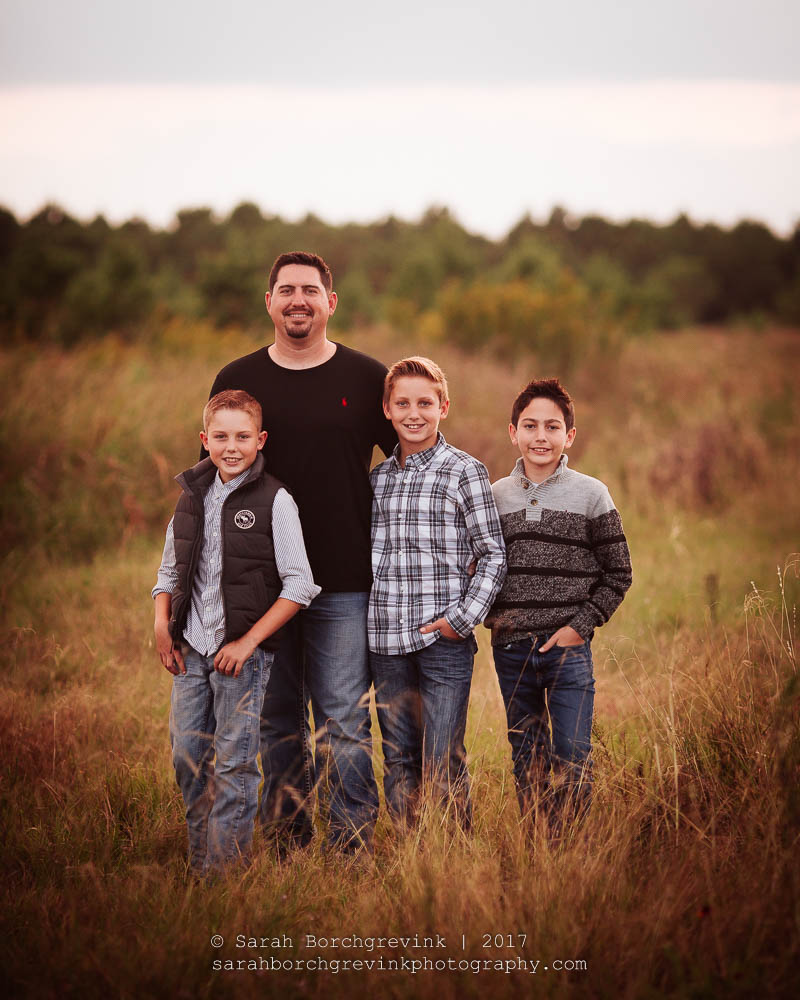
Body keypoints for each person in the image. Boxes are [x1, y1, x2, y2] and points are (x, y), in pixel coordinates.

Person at [207, 251, 397, 853]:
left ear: (330, 303)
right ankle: (289, 840)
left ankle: (351, 846)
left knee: (343, 720)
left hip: (344, 578)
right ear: (268, 301)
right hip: (262, 588)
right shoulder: (237, 380)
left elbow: (411, 462)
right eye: (285, 289)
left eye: (309, 290)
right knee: (277, 721)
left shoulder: (369, 379)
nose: (297, 300)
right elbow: (213, 481)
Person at [153, 390, 320, 873]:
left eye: (243, 437)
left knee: (233, 763)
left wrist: (248, 643)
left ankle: (222, 878)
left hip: (240, 657)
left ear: (260, 439)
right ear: (204, 440)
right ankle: (202, 861)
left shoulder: (275, 500)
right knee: (188, 758)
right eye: (221, 436)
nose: (231, 446)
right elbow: (167, 573)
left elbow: (300, 583)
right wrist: (162, 627)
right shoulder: (190, 498)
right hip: (190, 650)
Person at [486, 377, 632, 831]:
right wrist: (496, 619)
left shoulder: (592, 494)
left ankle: (570, 851)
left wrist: (580, 625)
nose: (540, 437)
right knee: (527, 756)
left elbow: (618, 573)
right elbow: (481, 567)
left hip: (568, 647)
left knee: (571, 755)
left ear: (569, 435)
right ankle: (538, 852)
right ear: (513, 432)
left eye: (552, 427)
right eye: (530, 426)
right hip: (512, 650)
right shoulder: (494, 497)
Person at [368, 356, 507, 829]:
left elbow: (492, 554)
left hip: (442, 640)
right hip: (385, 641)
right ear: (386, 409)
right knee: (399, 757)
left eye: (425, 403)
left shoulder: (465, 471)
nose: (414, 413)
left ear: (443, 407)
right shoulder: (377, 480)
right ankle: (410, 856)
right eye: (402, 403)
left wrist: (462, 619)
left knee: (443, 755)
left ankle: (452, 859)